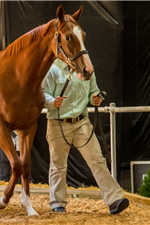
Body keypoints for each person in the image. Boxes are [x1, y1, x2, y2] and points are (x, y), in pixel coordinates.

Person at [41, 58, 129, 214]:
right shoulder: (52, 68)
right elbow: (43, 93)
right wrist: (52, 101)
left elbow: (93, 90)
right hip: (57, 123)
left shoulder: (87, 68)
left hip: (82, 122)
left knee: (97, 160)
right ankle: (57, 204)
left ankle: (114, 200)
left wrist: (96, 98)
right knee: (58, 165)